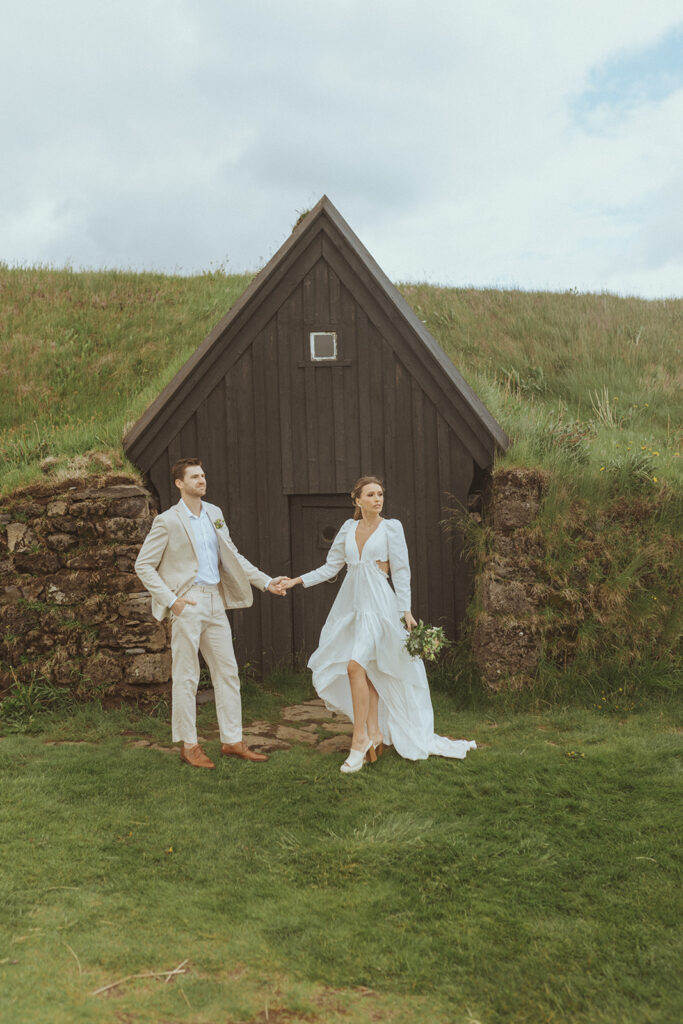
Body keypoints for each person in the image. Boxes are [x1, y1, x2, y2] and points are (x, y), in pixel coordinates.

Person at [282, 476, 477, 772]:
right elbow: (331, 567)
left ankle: (358, 740)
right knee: (366, 671)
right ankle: (374, 733)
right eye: (371, 494)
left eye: (380, 494)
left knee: (354, 667)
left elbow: (401, 571)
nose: (377, 499)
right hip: (352, 606)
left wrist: (405, 610)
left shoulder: (392, 528)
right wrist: (298, 580)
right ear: (356, 500)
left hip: (380, 608)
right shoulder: (348, 528)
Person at [135, 458, 287, 769]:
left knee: (228, 672)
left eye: (203, 475)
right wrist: (171, 600)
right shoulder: (167, 521)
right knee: (187, 676)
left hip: (216, 601)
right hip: (187, 602)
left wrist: (267, 581)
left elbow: (232, 556)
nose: (201, 480)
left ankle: (232, 741)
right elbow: (143, 565)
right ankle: (189, 745)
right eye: (194, 476)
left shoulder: (214, 514)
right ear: (179, 483)